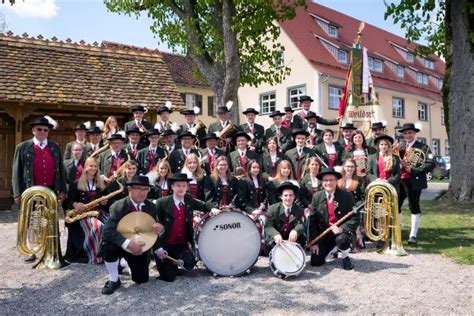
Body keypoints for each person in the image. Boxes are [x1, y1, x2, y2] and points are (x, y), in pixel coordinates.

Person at [12, 116, 67, 263]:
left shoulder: (55, 147)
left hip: (50, 190)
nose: (42, 132)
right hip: (30, 191)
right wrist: (17, 193)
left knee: (49, 220)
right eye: (39, 129)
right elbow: (16, 171)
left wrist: (62, 189)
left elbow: (61, 169)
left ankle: (47, 248)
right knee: (31, 220)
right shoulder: (22, 147)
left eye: (45, 130)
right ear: (33, 130)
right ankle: (31, 250)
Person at [101, 175, 164, 294]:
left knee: (141, 279)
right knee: (109, 246)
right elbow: (107, 232)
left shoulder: (151, 207)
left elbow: (152, 231)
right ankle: (113, 279)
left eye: (145, 189)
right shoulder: (118, 206)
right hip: (121, 244)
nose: (142, 192)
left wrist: (158, 246)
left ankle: (124, 262)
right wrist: (128, 243)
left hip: (140, 246)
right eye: (138, 188)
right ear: (130, 189)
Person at [155, 173, 218, 282]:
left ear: (187, 187)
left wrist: (212, 208)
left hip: (180, 244)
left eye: (184, 186)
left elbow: (204, 205)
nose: (181, 188)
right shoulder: (162, 202)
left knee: (190, 264)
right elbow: (154, 227)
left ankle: (172, 262)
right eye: (178, 186)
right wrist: (157, 248)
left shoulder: (188, 199)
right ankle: (168, 264)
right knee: (168, 278)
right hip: (165, 244)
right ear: (172, 187)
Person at [308, 168, 358, 270]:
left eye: (331, 180)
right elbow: (312, 221)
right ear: (322, 182)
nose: (328, 182)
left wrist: (342, 229)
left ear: (336, 181)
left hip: (341, 233)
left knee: (342, 240)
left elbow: (355, 218)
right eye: (325, 180)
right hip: (325, 234)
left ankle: (345, 256)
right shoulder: (317, 196)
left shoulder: (346, 196)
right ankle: (333, 249)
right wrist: (314, 243)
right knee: (315, 262)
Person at [64, 157, 108, 264]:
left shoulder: (100, 183)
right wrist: (75, 204)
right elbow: (67, 201)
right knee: (99, 226)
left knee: (112, 224)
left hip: (97, 213)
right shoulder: (76, 183)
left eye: (95, 166)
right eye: (91, 166)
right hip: (82, 215)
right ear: (86, 167)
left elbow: (105, 203)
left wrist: (105, 202)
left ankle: (108, 255)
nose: (93, 168)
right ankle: (94, 256)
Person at [397, 123, 434, 244]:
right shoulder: (400, 147)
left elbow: (430, 164)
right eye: (405, 133)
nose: (408, 135)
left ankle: (413, 235)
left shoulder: (423, 147)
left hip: (414, 181)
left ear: (414, 133)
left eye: (410, 133)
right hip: (400, 180)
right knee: (396, 205)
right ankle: (398, 231)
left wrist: (412, 170)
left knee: (413, 206)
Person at [264, 181, 306, 255]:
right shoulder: (272, 209)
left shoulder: (299, 209)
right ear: (281, 197)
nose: (288, 198)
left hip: (292, 240)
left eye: (291, 195)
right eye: (285, 195)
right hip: (277, 240)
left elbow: (301, 224)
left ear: (294, 196)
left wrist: (295, 231)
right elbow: (268, 226)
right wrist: (275, 234)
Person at [237, 160, 268, 240]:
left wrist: (262, 204)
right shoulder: (243, 181)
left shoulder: (262, 180)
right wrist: (252, 210)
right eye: (254, 167)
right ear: (249, 168)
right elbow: (241, 201)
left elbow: (264, 196)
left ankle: (265, 243)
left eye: (258, 167)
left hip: (261, 209)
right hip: (248, 210)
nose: (256, 169)